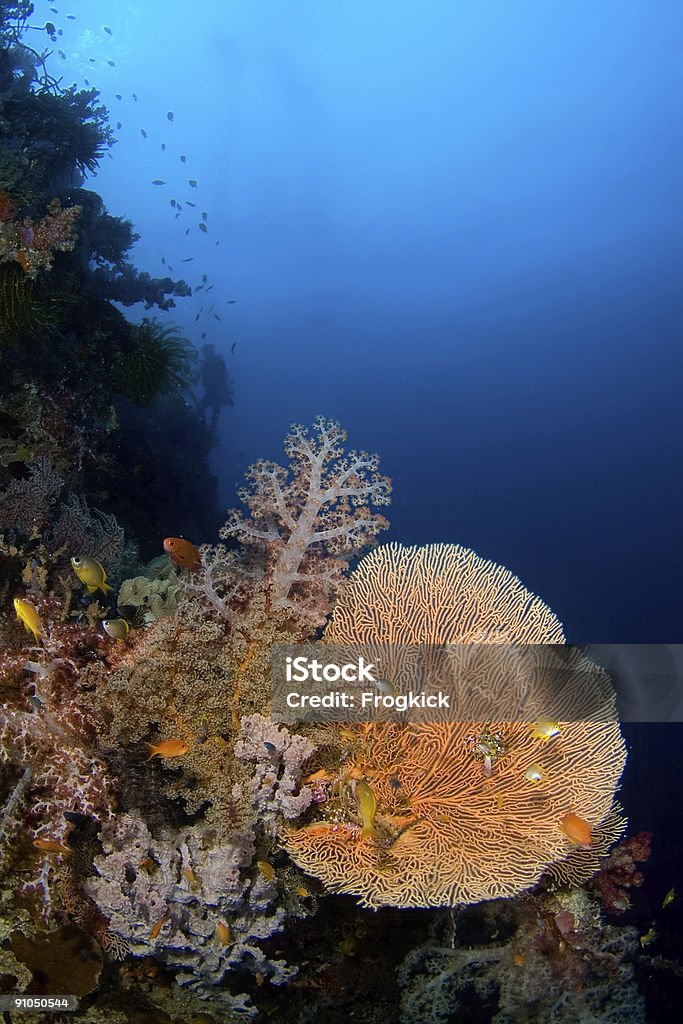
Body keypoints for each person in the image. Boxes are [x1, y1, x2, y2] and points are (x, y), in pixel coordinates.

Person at [196, 343, 233, 431]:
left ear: (212, 352)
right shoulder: (204, 365)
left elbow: (226, 377)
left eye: (208, 352)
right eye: (204, 353)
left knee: (215, 408)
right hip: (210, 393)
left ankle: (210, 429)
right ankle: (203, 427)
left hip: (219, 393)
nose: (206, 355)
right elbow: (196, 376)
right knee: (200, 407)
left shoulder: (219, 362)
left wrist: (226, 391)